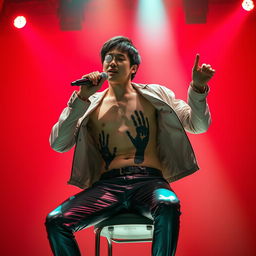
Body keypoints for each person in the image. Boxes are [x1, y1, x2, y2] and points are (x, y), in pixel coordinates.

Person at [45, 36, 215, 256]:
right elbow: (58, 144)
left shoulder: (156, 94)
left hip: (149, 182)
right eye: (108, 58)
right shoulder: (90, 103)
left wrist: (198, 87)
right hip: (107, 187)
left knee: (169, 203)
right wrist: (80, 99)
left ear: (133, 67)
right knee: (56, 221)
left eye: (119, 58)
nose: (112, 63)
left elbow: (198, 125)